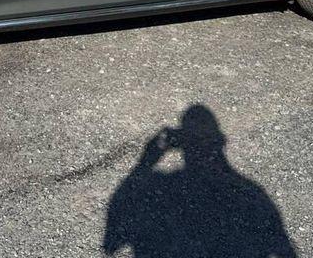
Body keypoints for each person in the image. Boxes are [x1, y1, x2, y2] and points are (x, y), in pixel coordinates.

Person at [103, 105, 297, 258]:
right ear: (221, 141)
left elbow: (112, 244)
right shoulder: (251, 194)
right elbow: (283, 249)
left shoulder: (160, 187)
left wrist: (146, 160)